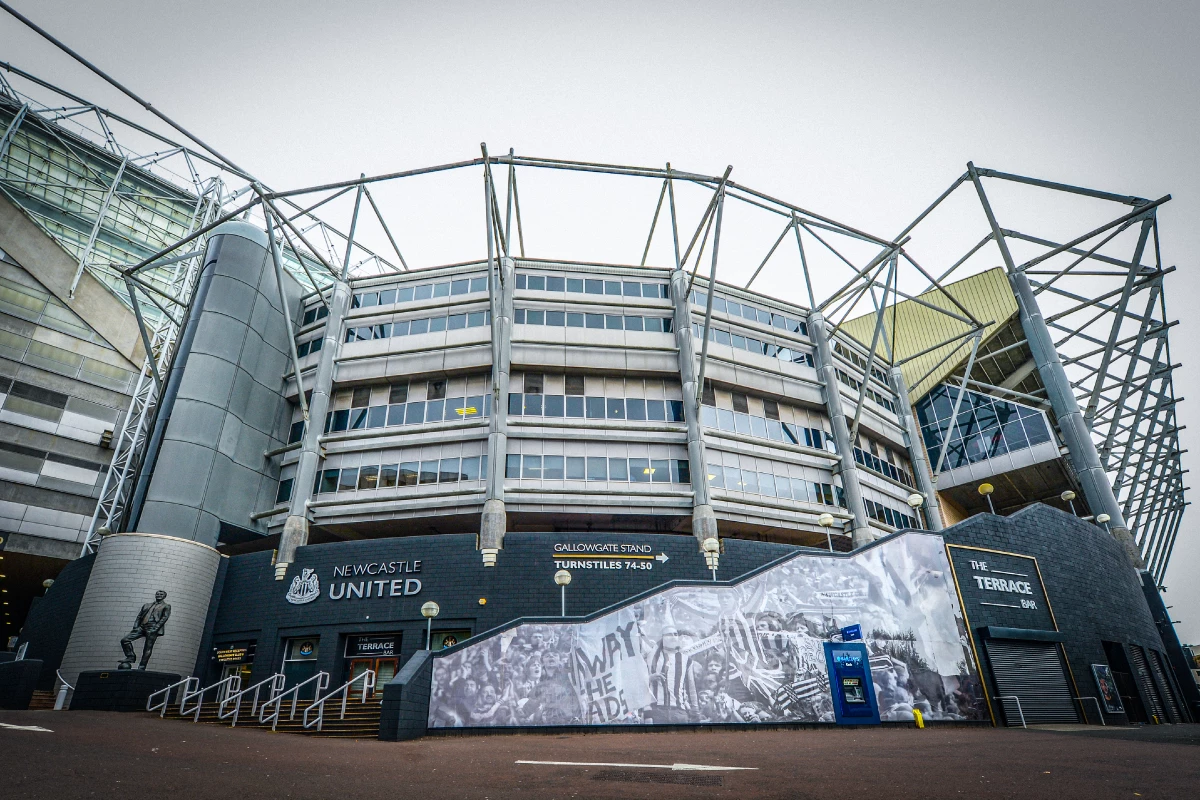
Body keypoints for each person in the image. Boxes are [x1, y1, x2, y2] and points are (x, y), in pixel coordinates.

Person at [119, 590, 170, 670]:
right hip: (142, 627)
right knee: (124, 640)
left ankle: (142, 666)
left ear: (164, 596)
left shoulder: (166, 606)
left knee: (147, 648)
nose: (159, 595)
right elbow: (139, 617)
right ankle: (130, 656)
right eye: (157, 594)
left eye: (161, 594)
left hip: (153, 627)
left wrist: (155, 628)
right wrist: (135, 627)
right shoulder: (147, 605)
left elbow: (164, 618)